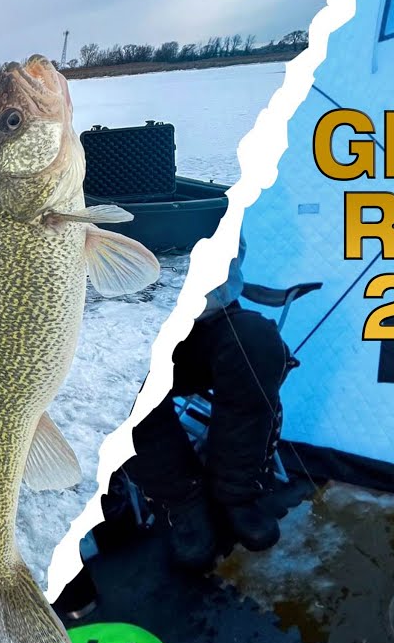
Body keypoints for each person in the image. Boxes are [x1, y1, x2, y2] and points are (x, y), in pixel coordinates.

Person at [121, 237, 290, 570]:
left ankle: (236, 492)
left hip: (207, 320)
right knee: (118, 381)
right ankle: (184, 503)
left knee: (255, 340)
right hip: (127, 335)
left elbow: (234, 250)